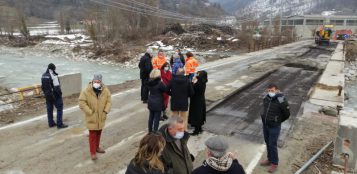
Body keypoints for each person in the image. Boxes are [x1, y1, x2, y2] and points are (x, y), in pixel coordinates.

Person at [79, 74, 112, 160]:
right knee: (92, 135)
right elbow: (82, 102)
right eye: (95, 81)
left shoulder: (105, 90)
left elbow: (109, 101)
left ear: (101, 82)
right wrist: (89, 112)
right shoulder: (86, 91)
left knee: (98, 133)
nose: (96, 83)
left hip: (101, 117)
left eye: (98, 82)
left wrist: (105, 111)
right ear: (92, 81)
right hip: (91, 117)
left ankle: (97, 147)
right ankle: (93, 152)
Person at [260, 84, 290, 173]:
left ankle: (274, 163)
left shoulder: (281, 100)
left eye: (272, 91)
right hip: (265, 125)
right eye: (268, 90)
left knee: (272, 144)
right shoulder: (266, 98)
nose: (270, 92)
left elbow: (287, 114)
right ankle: (269, 159)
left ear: (277, 90)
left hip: (274, 127)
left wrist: (278, 121)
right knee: (267, 142)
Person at [41, 63, 68, 129]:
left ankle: (51, 123)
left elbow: (42, 87)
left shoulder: (43, 75)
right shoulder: (53, 75)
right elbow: (57, 87)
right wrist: (60, 94)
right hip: (55, 94)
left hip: (47, 95)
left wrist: (46, 94)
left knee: (49, 109)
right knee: (59, 108)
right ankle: (59, 124)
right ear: (53, 68)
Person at [188, 71, 208, 136]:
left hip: (196, 101)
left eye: (198, 74)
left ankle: (196, 131)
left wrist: (192, 82)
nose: (197, 75)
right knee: (200, 114)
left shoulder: (198, 84)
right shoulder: (203, 82)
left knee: (196, 115)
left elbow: (192, 91)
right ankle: (199, 128)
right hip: (201, 100)